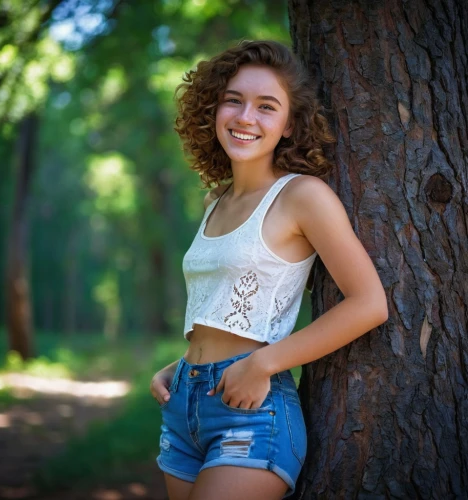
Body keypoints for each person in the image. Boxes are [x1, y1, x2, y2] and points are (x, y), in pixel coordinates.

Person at [150, 40, 388, 500]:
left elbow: (369, 303)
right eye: (233, 100)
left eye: (266, 106)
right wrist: (179, 366)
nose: (245, 117)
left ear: (288, 124)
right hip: (183, 404)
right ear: (213, 108)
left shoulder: (303, 196)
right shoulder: (215, 199)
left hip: (253, 411)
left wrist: (263, 363)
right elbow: (228, 309)